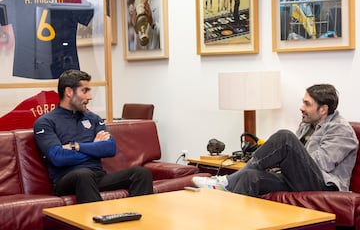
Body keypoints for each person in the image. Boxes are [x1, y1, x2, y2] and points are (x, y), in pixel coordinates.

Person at [193, 84, 358, 197]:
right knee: (250, 176)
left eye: (307, 104)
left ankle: (226, 182)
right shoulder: (308, 125)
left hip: (324, 186)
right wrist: (278, 160)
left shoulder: (340, 130)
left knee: (285, 137)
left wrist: (286, 158)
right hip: (298, 179)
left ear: (323, 109)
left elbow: (321, 164)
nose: (301, 107)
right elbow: (297, 161)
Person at [34, 70, 154, 203]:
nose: (90, 97)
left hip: (97, 177)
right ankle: (99, 221)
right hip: (66, 180)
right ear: (69, 92)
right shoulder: (45, 122)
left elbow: (110, 148)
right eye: (84, 91)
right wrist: (95, 149)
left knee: (141, 173)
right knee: (84, 174)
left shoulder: (93, 118)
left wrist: (76, 146)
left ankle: (136, 219)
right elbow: (57, 157)